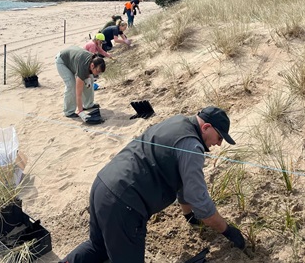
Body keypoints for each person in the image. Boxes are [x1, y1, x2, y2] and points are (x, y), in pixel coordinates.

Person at [60, 106, 246, 263]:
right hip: (125, 204)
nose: (219, 144)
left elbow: (184, 184)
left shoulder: (177, 122)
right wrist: (227, 230)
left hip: (103, 185)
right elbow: (200, 200)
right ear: (206, 127)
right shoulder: (192, 147)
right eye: (219, 138)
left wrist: (188, 215)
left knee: (97, 247)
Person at [55, 46, 105, 121]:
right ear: (92, 66)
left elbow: (88, 70)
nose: (98, 74)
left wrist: (88, 78)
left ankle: (88, 104)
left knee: (90, 79)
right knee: (71, 85)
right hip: (62, 61)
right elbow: (78, 94)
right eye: (97, 71)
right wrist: (81, 112)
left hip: (73, 60)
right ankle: (68, 111)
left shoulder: (94, 60)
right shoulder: (83, 68)